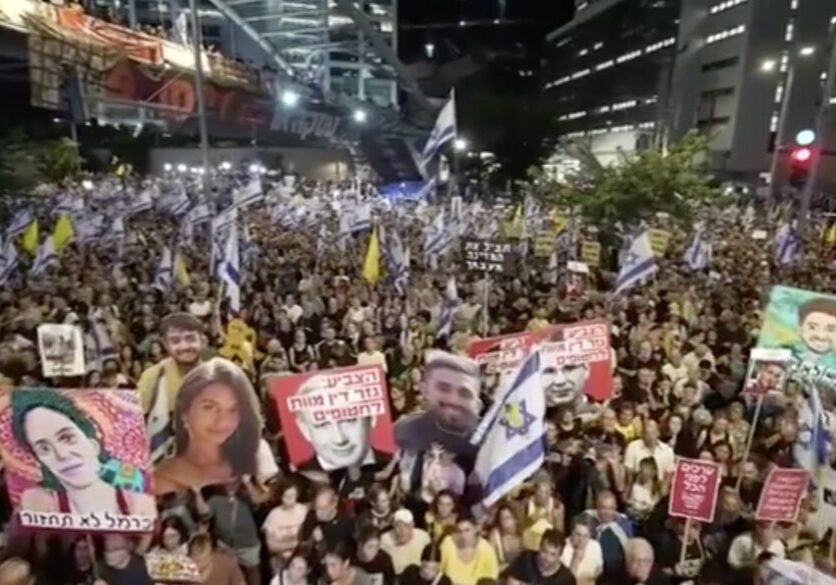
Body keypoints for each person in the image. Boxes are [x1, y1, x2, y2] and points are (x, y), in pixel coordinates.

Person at [11, 389, 156, 517]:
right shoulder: (39, 503)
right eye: (44, 449)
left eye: (67, 438)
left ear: (93, 444)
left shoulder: (139, 501)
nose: (62, 454)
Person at [153, 358, 262, 494]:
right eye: (209, 407)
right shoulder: (160, 480)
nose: (223, 421)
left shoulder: (251, 465)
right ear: (184, 412)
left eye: (233, 409)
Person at [137, 312, 205, 462]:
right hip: (164, 464)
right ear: (165, 345)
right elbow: (136, 422)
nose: (184, 346)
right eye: (175, 341)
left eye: (190, 339)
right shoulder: (153, 376)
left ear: (202, 339)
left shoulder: (220, 374)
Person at [290, 373, 383, 473]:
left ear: (371, 417)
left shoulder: (396, 463)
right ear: (304, 430)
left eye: (348, 420)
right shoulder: (298, 478)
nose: (339, 439)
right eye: (322, 424)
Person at [394, 351, 481, 456]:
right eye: (444, 389)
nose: (453, 400)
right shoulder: (405, 431)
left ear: (477, 403)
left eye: (465, 393)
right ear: (425, 390)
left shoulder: (489, 441)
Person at [439, 514, 499, 585]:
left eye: (467, 530)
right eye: (459, 531)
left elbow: (492, 577)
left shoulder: (485, 548)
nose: (463, 535)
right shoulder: (448, 543)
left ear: (476, 529)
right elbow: (439, 571)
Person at [503, 529, 576, 585]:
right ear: (539, 547)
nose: (547, 558)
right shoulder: (525, 559)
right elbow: (511, 582)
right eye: (544, 551)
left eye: (552, 555)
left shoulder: (566, 579)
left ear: (559, 556)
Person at [262, 480, 308, 563]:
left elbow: (307, 541)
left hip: (301, 558)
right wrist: (293, 545)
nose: (290, 500)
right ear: (281, 497)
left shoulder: (303, 511)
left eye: (293, 496)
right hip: (280, 559)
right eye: (287, 496)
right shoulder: (274, 515)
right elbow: (270, 546)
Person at [380, 509, 432, 576]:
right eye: (398, 526)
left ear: (413, 525)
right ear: (393, 525)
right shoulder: (384, 540)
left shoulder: (423, 537)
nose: (402, 531)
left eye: (406, 526)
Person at [561, 520, 603, 585]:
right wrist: (576, 560)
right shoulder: (563, 547)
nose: (581, 540)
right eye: (578, 534)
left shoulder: (595, 545)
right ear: (572, 532)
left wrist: (594, 577)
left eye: (585, 536)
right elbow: (566, 582)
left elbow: (599, 568)